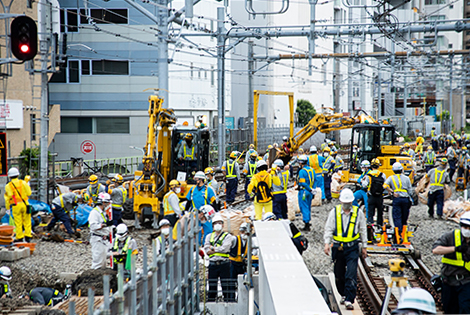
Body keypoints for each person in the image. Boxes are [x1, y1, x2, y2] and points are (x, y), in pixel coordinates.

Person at [323, 188, 367, 311]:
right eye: (345, 203)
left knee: (351, 274)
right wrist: (327, 243)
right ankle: (343, 293)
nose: (347, 205)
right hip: (338, 247)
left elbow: (363, 229)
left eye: (349, 203)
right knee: (339, 274)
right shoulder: (334, 212)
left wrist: (364, 246)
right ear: (341, 202)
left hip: (352, 247)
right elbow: (329, 228)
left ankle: (349, 298)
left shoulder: (358, 213)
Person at [432, 211, 470, 314]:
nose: (467, 230)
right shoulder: (450, 236)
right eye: (465, 227)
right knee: (450, 309)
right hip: (449, 281)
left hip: (467, 281)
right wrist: (455, 249)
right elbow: (436, 250)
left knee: (465, 308)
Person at [204, 213, 233, 302]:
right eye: (215, 223)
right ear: (213, 226)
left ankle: (229, 303)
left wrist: (213, 248)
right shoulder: (209, 236)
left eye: (219, 223)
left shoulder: (228, 236)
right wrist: (217, 249)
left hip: (224, 264)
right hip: (213, 264)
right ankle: (211, 304)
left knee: (226, 285)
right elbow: (206, 249)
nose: (217, 225)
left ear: (223, 224)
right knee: (212, 286)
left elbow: (225, 248)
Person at [185, 171, 217, 243]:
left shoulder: (208, 189)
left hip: (206, 215)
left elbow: (214, 202)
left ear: (201, 180)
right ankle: (197, 246)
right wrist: (186, 211)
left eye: (197, 179)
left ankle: (206, 244)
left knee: (208, 231)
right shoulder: (192, 189)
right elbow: (188, 201)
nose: (195, 180)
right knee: (196, 232)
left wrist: (215, 212)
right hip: (195, 214)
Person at [4, 167, 32, 242]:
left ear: (9, 176)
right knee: (27, 221)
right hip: (25, 204)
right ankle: (28, 236)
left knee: (18, 222)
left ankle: (19, 237)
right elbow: (29, 193)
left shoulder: (8, 186)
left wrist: (7, 208)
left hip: (16, 205)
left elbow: (9, 197)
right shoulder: (23, 182)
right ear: (18, 175)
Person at [384, 162, 412, 233]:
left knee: (397, 216)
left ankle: (398, 232)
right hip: (405, 199)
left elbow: (384, 185)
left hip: (397, 199)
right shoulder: (407, 178)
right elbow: (410, 191)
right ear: (402, 170)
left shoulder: (391, 178)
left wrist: (392, 192)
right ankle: (404, 230)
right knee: (404, 215)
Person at [88, 192, 113, 269]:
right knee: (98, 262)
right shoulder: (94, 213)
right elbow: (93, 226)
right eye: (107, 203)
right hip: (97, 239)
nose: (108, 205)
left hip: (102, 239)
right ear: (103, 202)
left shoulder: (101, 212)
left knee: (103, 261)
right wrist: (105, 224)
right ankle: (94, 278)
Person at [297, 155, 315, 231]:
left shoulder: (302, 171)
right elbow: (315, 180)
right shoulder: (312, 170)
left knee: (303, 207)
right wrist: (312, 190)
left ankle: (306, 224)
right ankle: (308, 220)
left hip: (304, 191)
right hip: (310, 191)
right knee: (308, 206)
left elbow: (303, 183)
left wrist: (309, 189)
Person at [367, 159, 386, 226]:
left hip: (371, 196)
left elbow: (364, 184)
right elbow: (384, 185)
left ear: (371, 166)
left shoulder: (368, 175)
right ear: (378, 166)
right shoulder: (382, 174)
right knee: (380, 211)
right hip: (380, 196)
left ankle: (370, 223)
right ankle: (379, 224)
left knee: (370, 211)